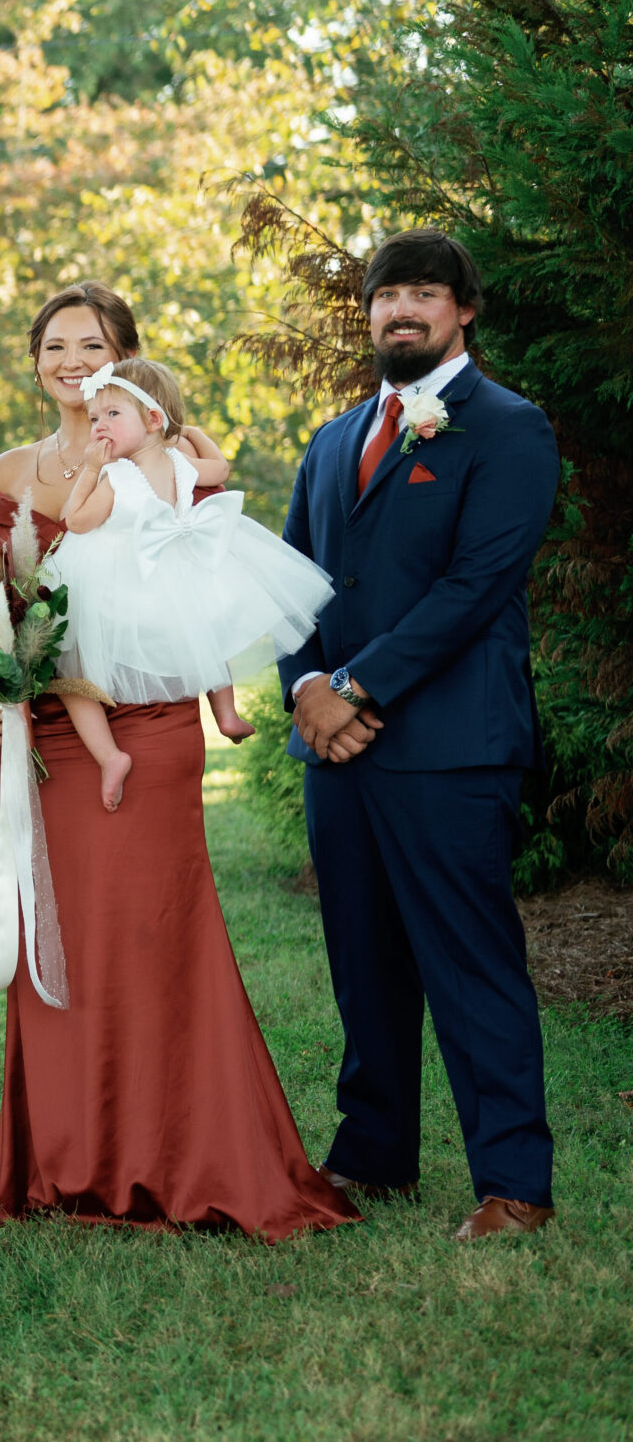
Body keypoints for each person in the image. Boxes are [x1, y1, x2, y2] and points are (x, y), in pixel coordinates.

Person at [0, 283, 358, 1241]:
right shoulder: (10, 468)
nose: (70, 360)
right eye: (54, 344)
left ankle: (177, 1153)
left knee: (153, 931)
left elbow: (200, 572)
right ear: (34, 360)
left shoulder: (162, 453)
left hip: (149, 729)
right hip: (50, 727)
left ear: (125, 363)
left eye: (91, 345)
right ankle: (68, 1162)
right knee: (58, 937)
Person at [280, 228, 561, 1240]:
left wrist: (354, 686)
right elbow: (292, 583)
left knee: (470, 961)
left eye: (422, 294)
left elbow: (474, 588)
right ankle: (374, 1155)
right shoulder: (331, 439)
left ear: (462, 310)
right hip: (337, 750)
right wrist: (308, 683)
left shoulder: (508, 428)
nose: (400, 310)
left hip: (448, 746)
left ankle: (514, 1183)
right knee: (364, 962)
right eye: (384, 294)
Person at [51, 359, 330, 812]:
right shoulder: (181, 463)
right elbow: (219, 469)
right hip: (175, 579)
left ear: (153, 419)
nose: (99, 426)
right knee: (206, 634)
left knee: (71, 672)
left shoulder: (116, 477)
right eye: (95, 418)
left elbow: (75, 521)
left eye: (112, 415)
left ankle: (109, 756)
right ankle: (225, 713)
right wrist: (192, 431)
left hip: (118, 588)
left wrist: (88, 471)